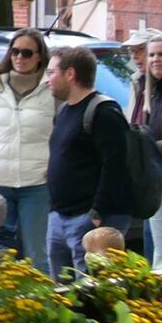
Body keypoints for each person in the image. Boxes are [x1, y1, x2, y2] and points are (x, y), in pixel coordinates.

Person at [0, 29, 58, 275]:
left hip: (36, 183)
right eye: (15, 51)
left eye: (27, 53)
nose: (19, 58)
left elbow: (62, 138)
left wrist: (55, 175)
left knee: (36, 255)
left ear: (40, 56)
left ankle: (40, 309)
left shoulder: (51, 89)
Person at [45, 45, 134, 276]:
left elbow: (115, 166)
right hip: (60, 216)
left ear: (70, 74)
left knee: (92, 292)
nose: (47, 80)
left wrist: (97, 212)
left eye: (51, 72)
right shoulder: (64, 111)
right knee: (62, 293)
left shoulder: (104, 112)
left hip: (89, 219)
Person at [136, 36, 162, 268]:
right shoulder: (148, 91)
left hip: (159, 174)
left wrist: (147, 147)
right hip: (154, 179)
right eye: (153, 54)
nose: (156, 59)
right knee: (155, 248)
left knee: (161, 253)